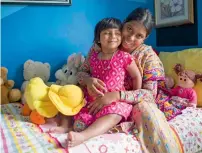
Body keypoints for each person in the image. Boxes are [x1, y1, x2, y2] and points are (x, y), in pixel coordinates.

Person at [75, 8, 182, 153]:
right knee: (72, 92)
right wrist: (88, 80)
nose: (130, 38)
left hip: (132, 101)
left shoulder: (148, 57)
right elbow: (81, 72)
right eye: (129, 29)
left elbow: (149, 95)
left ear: (145, 37)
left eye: (139, 36)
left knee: (146, 110)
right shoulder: (102, 45)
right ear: (123, 23)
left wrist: (118, 96)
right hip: (98, 97)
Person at [67, 17, 142, 147]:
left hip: (114, 101)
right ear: (98, 38)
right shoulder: (93, 57)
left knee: (115, 114)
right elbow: (81, 73)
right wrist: (88, 80)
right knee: (77, 121)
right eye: (107, 33)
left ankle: (83, 136)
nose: (113, 36)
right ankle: (65, 126)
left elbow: (136, 76)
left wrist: (135, 96)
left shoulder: (124, 57)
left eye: (117, 33)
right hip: (92, 101)